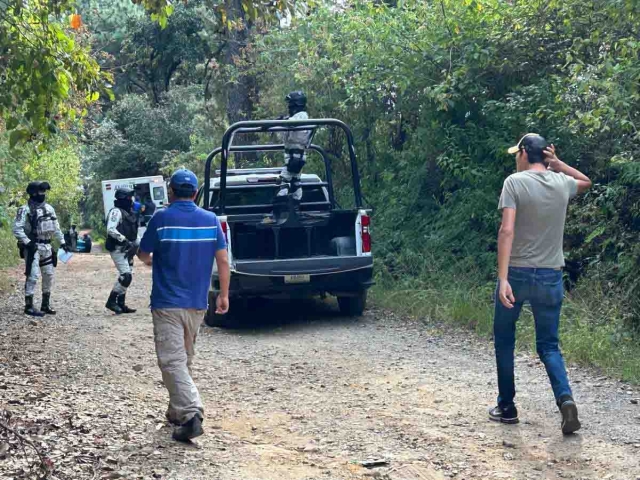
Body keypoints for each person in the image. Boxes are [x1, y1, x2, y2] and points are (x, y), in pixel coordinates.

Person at [491, 133, 592, 434]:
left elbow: (506, 231)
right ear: (545, 155)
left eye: (516, 154)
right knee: (549, 345)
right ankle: (566, 402)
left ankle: (507, 407)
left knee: (505, 340)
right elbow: (585, 181)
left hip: (518, 273)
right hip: (550, 275)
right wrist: (558, 165)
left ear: (524, 153)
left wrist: (503, 277)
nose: (514, 159)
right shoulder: (561, 183)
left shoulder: (514, 182)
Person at [137, 168, 230, 442]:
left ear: (171, 192)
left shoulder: (162, 218)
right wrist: (223, 295)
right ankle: (177, 412)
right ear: (197, 193)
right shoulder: (211, 221)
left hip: (167, 303)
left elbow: (143, 253)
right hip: (197, 304)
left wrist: (150, 261)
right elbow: (223, 261)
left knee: (171, 360)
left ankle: (191, 413)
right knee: (184, 359)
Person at [13, 181, 69, 316]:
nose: (43, 194)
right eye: (40, 192)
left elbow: (56, 227)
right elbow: (17, 228)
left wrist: (62, 242)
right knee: (32, 276)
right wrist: (27, 242)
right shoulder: (24, 209)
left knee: (48, 275)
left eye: (44, 192)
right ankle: (29, 306)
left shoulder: (49, 208)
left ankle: (45, 304)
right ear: (32, 193)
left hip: (47, 246)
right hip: (33, 247)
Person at [105, 187, 139, 315]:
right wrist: (124, 240)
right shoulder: (116, 212)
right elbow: (111, 229)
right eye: (129, 198)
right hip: (118, 249)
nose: (131, 200)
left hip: (128, 250)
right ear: (123, 198)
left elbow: (134, 234)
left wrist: (138, 245)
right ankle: (111, 301)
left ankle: (121, 303)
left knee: (128, 275)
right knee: (126, 276)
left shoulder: (129, 213)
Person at [276, 91, 314, 202]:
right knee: (295, 179)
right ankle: (297, 200)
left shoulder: (301, 117)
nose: (288, 107)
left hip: (296, 155)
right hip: (294, 154)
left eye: (290, 104)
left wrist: (283, 120)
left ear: (295, 104)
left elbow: (291, 123)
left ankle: (280, 200)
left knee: (284, 179)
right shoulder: (297, 117)